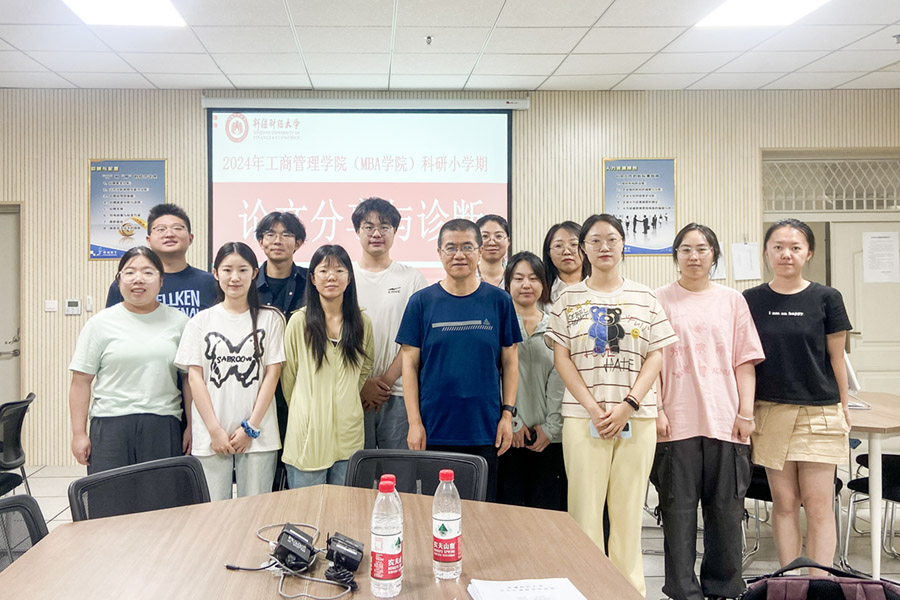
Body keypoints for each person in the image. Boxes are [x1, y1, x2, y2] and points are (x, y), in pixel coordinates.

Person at [545, 214, 677, 595]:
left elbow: (656, 356)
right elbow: (562, 358)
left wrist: (628, 405)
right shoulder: (566, 299)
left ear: (623, 245)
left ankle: (628, 592)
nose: (604, 247)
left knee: (628, 514)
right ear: (584, 249)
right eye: (595, 241)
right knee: (584, 513)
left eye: (612, 239)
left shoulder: (645, 297)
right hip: (582, 418)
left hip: (637, 417)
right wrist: (592, 408)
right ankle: (588, 589)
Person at [652, 223, 765, 600]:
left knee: (726, 513)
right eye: (685, 249)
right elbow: (651, 361)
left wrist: (745, 413)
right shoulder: (659, 299)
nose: (694, 256)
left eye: (702, 249)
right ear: (675, 256)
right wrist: (657, 409)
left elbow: (745, 361)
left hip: (725, 421)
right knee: (678, 515)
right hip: (676, 422)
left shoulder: (732, 300)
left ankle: (722, 588)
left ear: (714, 255)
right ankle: (683, 590)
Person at [743, 218, 852, 572]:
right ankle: (789, 582)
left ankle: (819, 583)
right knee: (785, 503)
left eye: (795, 247)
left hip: (819, 412)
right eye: (778, 247)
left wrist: (845, 406)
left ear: (809, 253)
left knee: (818, 505)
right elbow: (744, 360)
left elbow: (837, 358)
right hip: (770, 411)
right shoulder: (750, 300)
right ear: (766, 252)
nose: (786, 254)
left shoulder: (827, 298)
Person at [397, 218, 521, 502]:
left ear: (480, 252)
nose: (459, 255)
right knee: (439, 510)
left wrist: (507, 415)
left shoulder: (499, 301)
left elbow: (510, 362)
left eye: (467, 247)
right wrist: (414, 423)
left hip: (485, 429)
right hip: (435, 428)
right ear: (439, 252)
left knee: (483, 511)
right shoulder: (421, 302)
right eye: (451, 247)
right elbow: (409, 366)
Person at [175, 242, 284, 502]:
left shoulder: (271, 318)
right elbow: (195, 378)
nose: (235, 277)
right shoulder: (199, 322)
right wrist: (214, 430)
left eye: (243, 270)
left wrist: (251, 428)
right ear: (215, 273)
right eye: (227, 270)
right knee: (213, 513)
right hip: (210, 434)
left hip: (259, 434)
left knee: (256, 510)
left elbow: (272, 375)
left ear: (254, 273)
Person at [69, 246, 190, 474]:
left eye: (148, 272)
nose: (138, 279)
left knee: (161, 494)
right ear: (119, 280)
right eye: (130, 272)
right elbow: (80, 381)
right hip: (110, 424)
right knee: (110, 494)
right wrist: (79, 434)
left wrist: (192, 426)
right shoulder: (99, 324)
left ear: (161, 281)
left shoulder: (180, 322)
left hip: (162, 423)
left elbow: (188, 380)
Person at [281, 245, 374, 487]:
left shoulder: (362, 322)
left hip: (348, 434)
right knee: (307, 508)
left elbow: (364, 368)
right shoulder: (299, 322)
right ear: (313, 278)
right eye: (323, 271)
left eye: (339, 270)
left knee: (343, 506)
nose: (331, 277)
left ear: (349, 278)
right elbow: (288, 377)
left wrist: (346, 396)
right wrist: (307, 409)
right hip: (308, 435)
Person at [351, 197, 427, 450]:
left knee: (398, 469)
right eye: (368, 226)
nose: (376, 233)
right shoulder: (345, 276)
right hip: (352, 393)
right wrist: (361, 384)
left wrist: (385, 381)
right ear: (357, 231)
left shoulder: (412, 278)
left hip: (399, 392)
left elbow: (415, 338)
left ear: (395, 231)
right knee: (355, 470)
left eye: (384, 226)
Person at [496, 251, 567, 511]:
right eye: (519, 278)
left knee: (547, 515)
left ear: (544, 285)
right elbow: (495, 378)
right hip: (507, 436)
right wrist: (513, 421)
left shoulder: (556, 327)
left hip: (549, 439)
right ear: (508, 284)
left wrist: (550, 429)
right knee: (509, 514)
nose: (526, 284)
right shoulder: (498, 326)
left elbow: (562, 381)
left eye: (534, 278)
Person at [254, 211, 308, 490]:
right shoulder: (246, 283)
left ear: (298, 243)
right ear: (261, 241)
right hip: (256, 388)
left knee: (298, 467)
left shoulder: (312, 281)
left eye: (286, 234)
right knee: (261, 472)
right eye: (271, 234)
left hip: (301, 387)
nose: (278, 240)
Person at [105, 203, 217, 317]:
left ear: (190, 238)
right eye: (161, 229)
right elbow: (111, 322)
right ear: (148, 240)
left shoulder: (211, 283)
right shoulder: (128, 283)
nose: (169, 234)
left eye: (177, 228)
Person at [542, 221, 589, 303]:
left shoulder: (599, 287)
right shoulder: (540, 290)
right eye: (558, 246)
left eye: (574, 244)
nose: (566, 252)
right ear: (548, 252)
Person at [475, 214, 510, 288]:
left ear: (508, 241)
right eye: (485, 236)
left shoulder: (514, 275)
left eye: (498, 236)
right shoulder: (467, 276)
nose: (492, 242)